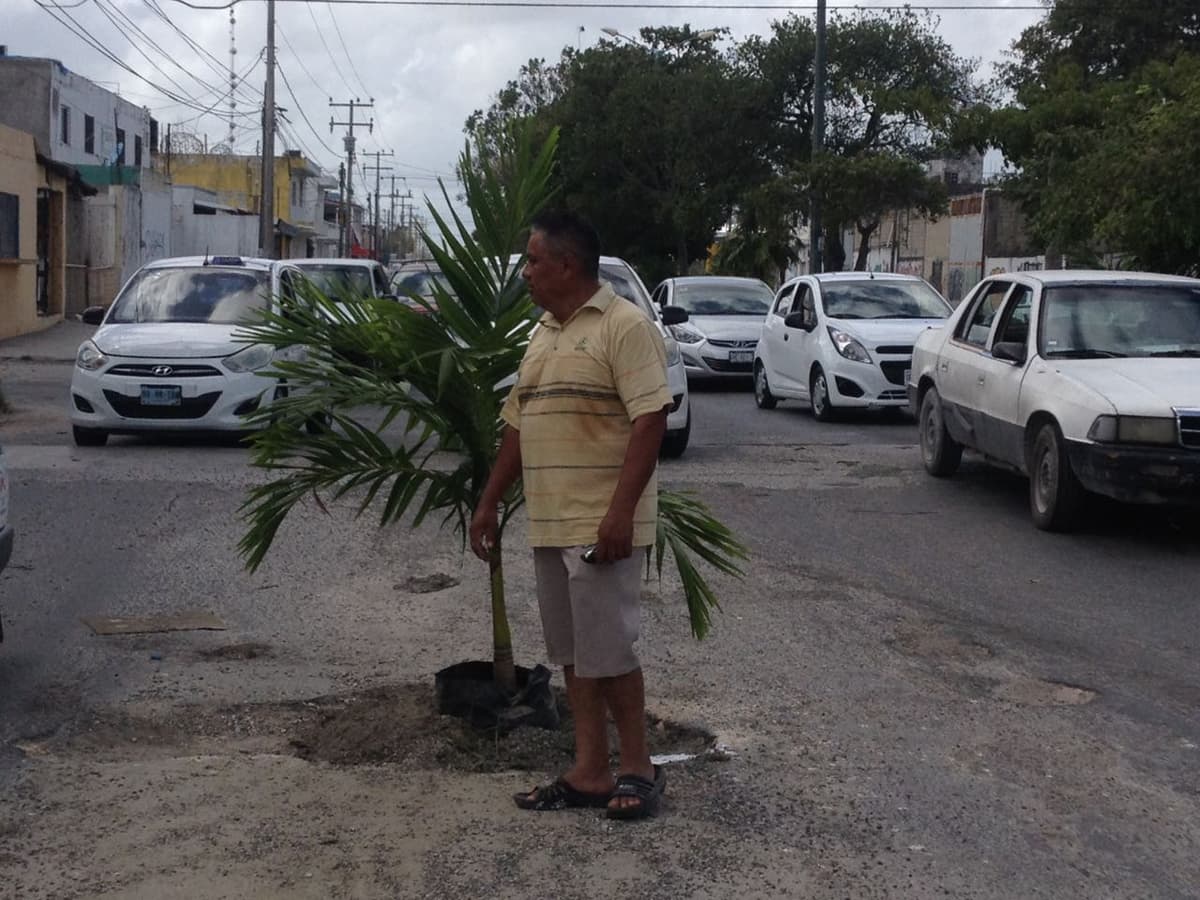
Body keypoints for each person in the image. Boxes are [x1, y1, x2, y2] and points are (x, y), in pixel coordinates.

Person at [469, 210, 672, 820]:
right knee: (575, 656)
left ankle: (637, 768)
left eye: (533, 260)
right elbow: (517, 423)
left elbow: (651, 419)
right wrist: (488, 501)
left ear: (566, 264)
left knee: (611, 653)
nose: (526, 272)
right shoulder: (543, 334)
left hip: (601, 526)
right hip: (552, 522)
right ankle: (589, 771)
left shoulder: (625, 326)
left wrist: (619, 515)